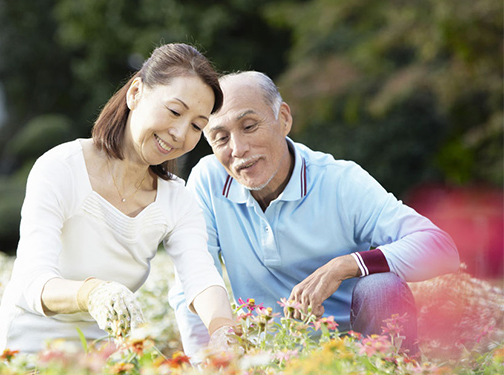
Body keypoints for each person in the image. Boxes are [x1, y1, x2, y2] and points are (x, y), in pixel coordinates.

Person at [169, 71, 460, 359]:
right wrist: (203, 363)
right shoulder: (208, 181)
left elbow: (440, 248)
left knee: (381, 286)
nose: (238, 148)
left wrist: (346, 265)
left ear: (283, 119)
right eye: (220, 138)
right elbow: (191, 282)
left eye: (249, 125)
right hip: (269, 361)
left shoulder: (340, 181)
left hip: (355, 358)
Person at [0, 43, 237, 354]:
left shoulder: (177, 199)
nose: (179, 132)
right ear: (135, 93)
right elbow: (33, 281)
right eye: (174, 111)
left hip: (109, 357)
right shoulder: (61, 168)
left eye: (196, 126)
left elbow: (200, 276)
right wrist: (91, 293)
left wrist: (222, 329)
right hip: (28, 351)